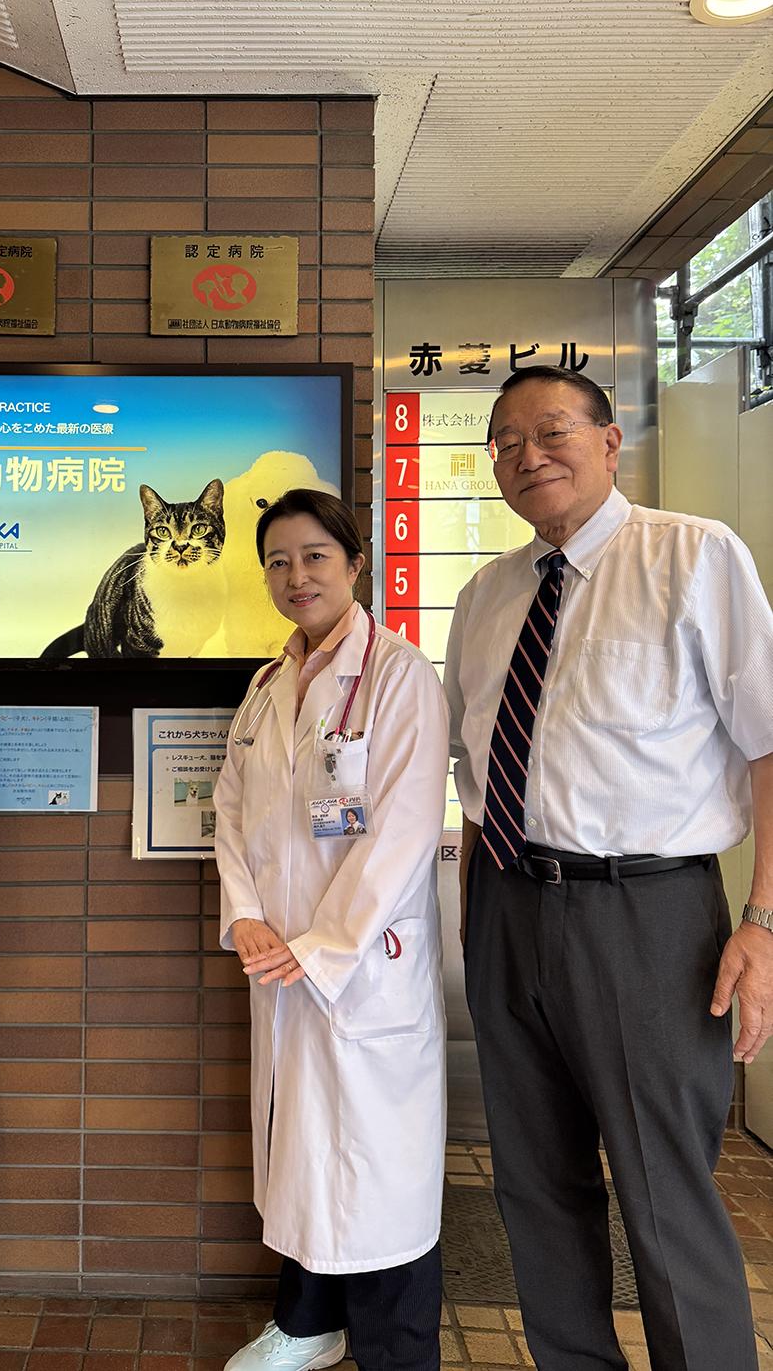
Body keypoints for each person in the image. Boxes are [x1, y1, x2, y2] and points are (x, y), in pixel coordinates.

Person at [444, 364, 773, 1371]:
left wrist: (763, 923)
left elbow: (769, 746)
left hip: (647, 915)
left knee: (663, 1192)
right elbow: (474, 772)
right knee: (534, 1183)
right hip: (506, 906)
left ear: (609, 440)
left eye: (551, 431)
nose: (527, 455)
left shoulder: (691, 555)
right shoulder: (486, 596)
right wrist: (473, 915)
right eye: (505, 442)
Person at [214, 488, 449, 1371]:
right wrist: (244, 917)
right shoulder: (267, 686)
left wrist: (319, 949)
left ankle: (396, 1352)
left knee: (380, 1171)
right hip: (279, 964)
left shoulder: (398, 675)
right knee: (304, 1153)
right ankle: (309, 1323)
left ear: (354, 563)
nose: (295, 576)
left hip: (362, 969)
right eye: (277, 561)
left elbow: (402, 832)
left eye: (314, 556)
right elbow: (230, 814)